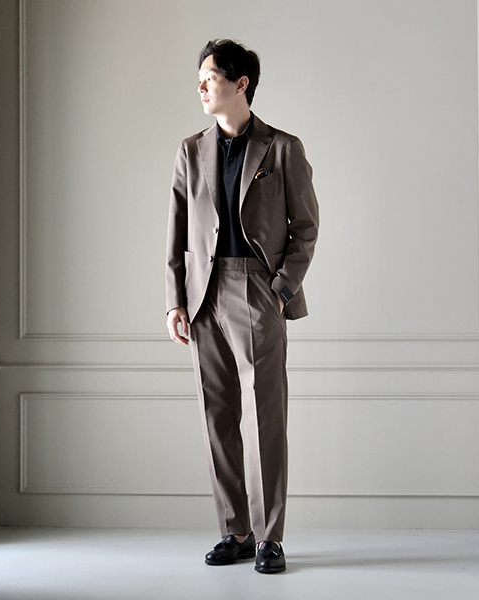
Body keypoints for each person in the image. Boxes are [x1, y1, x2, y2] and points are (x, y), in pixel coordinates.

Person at [165, 39, 319, 574]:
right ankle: (235, 530)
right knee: (218, 416)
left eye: (210, 77)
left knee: (264, 417)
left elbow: (306, 228)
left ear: (241, 83)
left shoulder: (282, 149)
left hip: (256, 288)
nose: (201, 86)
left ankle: (270, 536)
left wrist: (280, 289)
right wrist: (175, 301)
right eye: (200, 78)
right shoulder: (190, 150)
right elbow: (178, 231)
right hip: (202, 293)